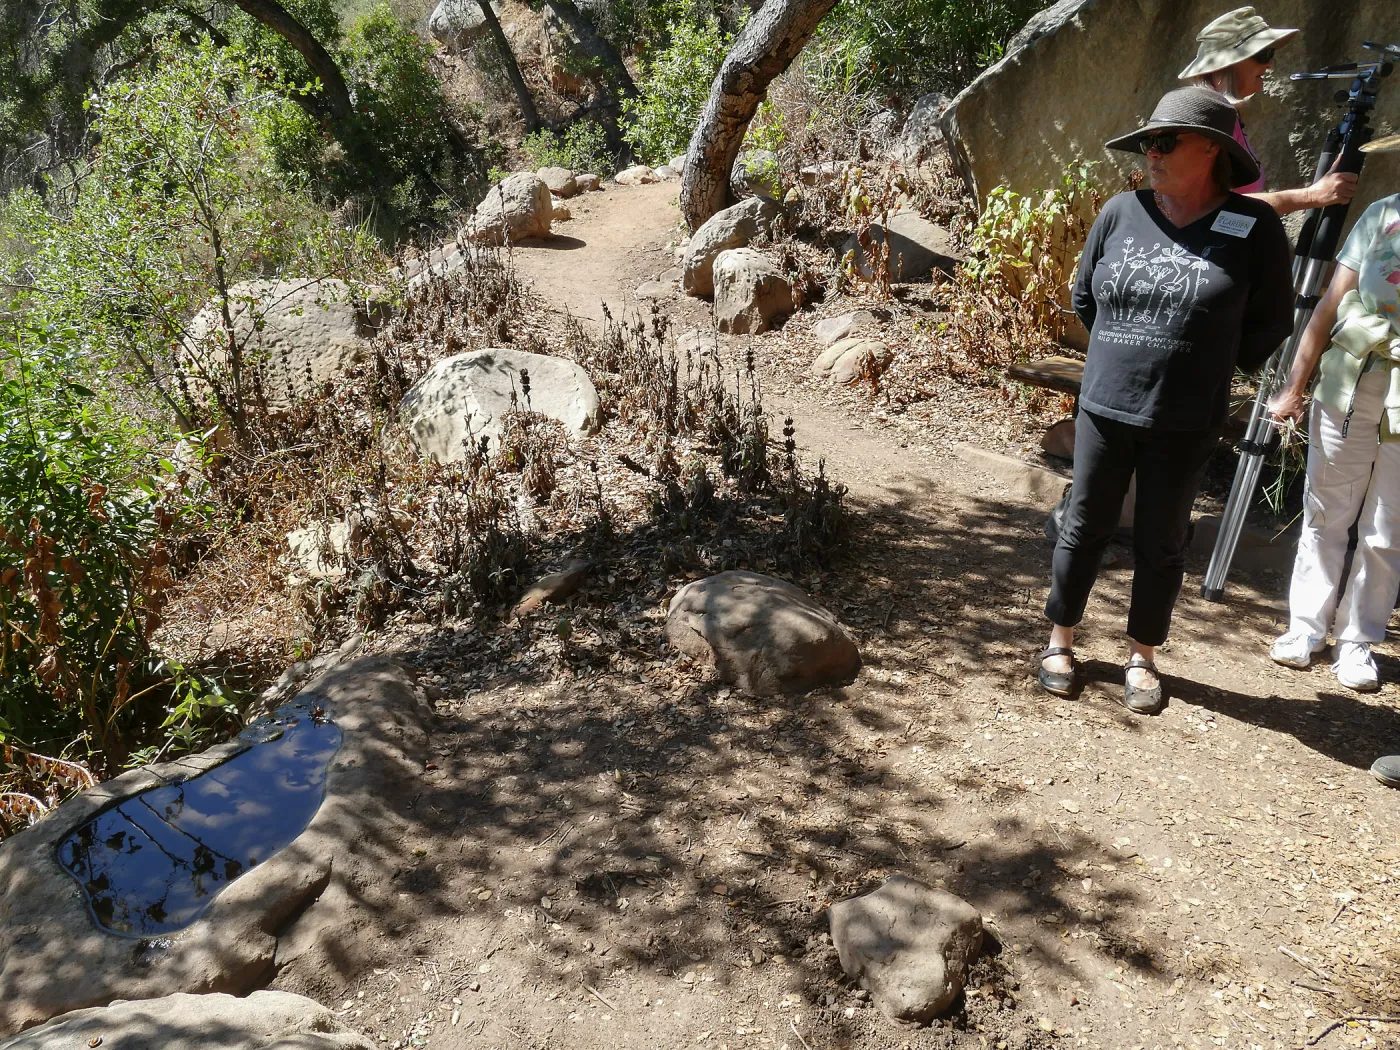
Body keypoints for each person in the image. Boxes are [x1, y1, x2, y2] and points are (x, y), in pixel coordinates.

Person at [1038, 87, 1294, 712]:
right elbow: (1085, 297)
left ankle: (1141, 655)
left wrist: (1205, 366)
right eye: (1147, 142)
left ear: (1210, 150)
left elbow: (1270, 319)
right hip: (1104, 404)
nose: (1150, 154)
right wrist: (1130, 349)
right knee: (1084, 524)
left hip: (1185, 417)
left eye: (1164, 142)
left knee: (1162, 540)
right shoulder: (1121, 212)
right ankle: (1059, 641)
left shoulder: (1254, 226)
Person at [1266, 133, 1400, 692]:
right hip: (1351, 379)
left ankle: (1358, 641)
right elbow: (1330, 301)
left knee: (1389, 527)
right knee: (1327, 509)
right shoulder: (1384, 215)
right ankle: (1305, 627)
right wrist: (1294, 385)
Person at [1180, 6, 1357, 214]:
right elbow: (1215, 211)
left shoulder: (1226, 114)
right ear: (1228, 63)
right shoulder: (1206, 117)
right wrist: (1312, 196)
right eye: (1264, 54)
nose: (1271, 64)